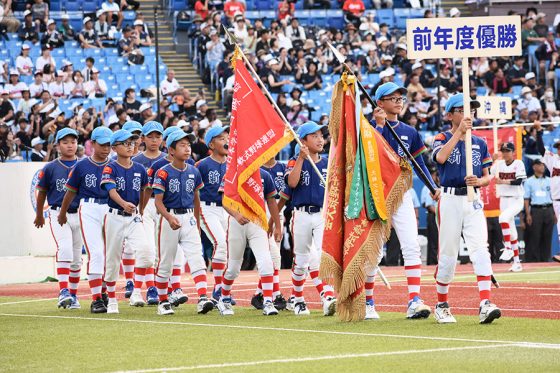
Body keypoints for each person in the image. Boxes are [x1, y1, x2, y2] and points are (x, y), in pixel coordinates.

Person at [370, 82, 438, 320]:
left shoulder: (410, 132)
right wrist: (379, 126)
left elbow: (420, 164)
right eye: (393, 98)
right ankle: (368, 303)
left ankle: (414, 300)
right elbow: (368, 159)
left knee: (411, 246)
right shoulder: (367, 129)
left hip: (402, 194)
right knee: (374, 251)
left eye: (401, 98)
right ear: (379, 103)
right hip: (375, 195)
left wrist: (432, 187)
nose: (399, 101)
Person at [431, 93, 501, 324]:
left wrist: (480, 182)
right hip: (449, 198)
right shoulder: (441, 137)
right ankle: (441, 304)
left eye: (471, 109)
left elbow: (487, 176)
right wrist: (459, 133)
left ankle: (485, 302)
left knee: (481, 248)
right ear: (450, 115)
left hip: (473, 199)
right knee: (449, 254)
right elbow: (440, 158)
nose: (468, 114)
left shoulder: (479, 142)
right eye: (462, 110)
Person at [152, 130, 215, 316]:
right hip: (168, 218)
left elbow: (196, 197)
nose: (187, 149)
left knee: (197, 257)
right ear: (171, 150)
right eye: (182, 145)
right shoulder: (163, 172)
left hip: (187, 218)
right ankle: (163, 301)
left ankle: (203, 297)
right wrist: (169, 217)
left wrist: (196, 220)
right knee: (166, 262)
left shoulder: (194, 171)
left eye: (188, 145)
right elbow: (157, 201)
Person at [59, 127, 112, 313]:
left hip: (110, 208)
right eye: (102, 144)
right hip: (88, 207)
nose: (106, 148)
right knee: (96, 252)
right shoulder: (81, 165)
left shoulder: (114, 164)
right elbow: (70, 191)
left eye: (109, 144)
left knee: (109, 254)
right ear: (93, 144)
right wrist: (62, 212)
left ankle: (104, 292)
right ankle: (96, 298)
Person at [285, 121, 336, 316]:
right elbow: (292, 182)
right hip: (301, 214)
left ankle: (328, 297)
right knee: (301, 260)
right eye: (314, 136)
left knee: (324, 256)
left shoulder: (327, 162)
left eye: (321, 136)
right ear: (303, 141)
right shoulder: (295, 160)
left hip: (322, 213)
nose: (320, 139)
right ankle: (297, 298)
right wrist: (300, 158)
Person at [100, 129, 153, 314]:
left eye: (132, 142)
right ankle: (112, 299)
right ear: (114, 147)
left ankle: (137, 291)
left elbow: (146, 189)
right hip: (114, 216)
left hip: (133, 217)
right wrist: (123, 204)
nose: (130, 146)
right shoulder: (110, 167)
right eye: (125, 143)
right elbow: (110, 190)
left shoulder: (139, 168)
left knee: (146, 252)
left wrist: (142, 208)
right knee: (113, 259)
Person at [218, 168, 282, 317]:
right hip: (236, 223)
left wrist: (277, 225)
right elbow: (225, 200)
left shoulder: (264, 175)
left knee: (266, 261)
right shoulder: (231, 174)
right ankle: (224, 298)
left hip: (257, 222)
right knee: (233, 267)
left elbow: (272, 201)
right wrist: (236, 214)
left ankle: (267, 301)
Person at [34, 128, 82, 309]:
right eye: (65, 142)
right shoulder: (50, 167)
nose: (70, 145)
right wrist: (39, 214)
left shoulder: (83, 164)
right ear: (57, 145)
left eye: (73, 142)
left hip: (80, 213)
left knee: (77, 257)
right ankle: (63, 291)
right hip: (57, 213)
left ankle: (74, 296)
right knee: (65, 248)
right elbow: (42, 193)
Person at [195, 126, 229, 303]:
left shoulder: (233, 163)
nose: (226, 141)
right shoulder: (202, 164)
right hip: (207, 207)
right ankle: (218, 289)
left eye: (227, 137)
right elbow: (193, 190)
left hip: (228, 210)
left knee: (228, 247)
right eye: (221, 138)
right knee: (220, 243)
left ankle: (222, 289)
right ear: (211, 144)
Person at [251, 156, 290, 311]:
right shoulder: (257, 169)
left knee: (275, 257)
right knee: (272, 255)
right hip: (262, 212)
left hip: (277, 211)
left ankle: (260, 293)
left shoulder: (282, 167)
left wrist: (278, 221)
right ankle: (275, 293)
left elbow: (285, 194)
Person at [492, 142, 526, 271]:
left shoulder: (518, 163)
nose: (505, 153)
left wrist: (503, 181)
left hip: (516, 199)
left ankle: (507, 248)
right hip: (504, 199)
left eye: (508, 151)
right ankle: (517, 263)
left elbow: (519, 181)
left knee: (503, 218)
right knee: (512, 233)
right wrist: (493, 160)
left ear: (513, 152)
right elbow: (489, 173)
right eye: (503, 151)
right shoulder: (499, 164)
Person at [535, 121, 560, 260]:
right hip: (556, 200)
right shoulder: (553, 159)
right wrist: (539, 131)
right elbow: (541, 149)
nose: (559, 149)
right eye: (558, 147)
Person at [523, 159, 554, 262]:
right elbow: (526, 199)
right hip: (536, 210)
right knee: (535, 236)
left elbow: (554, 197)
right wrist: (527, 214)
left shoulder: (549, 180)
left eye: (543, 165)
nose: (542, 167)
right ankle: (535, 260)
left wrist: (555, 213)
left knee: (547, 236)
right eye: (540, 165)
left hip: (549, 209)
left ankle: (546, 259)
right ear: (534, 167)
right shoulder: (529, 181)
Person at [421, 168, 439, 265]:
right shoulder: (429, 187)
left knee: (437, 240)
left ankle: (435, 260)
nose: (436, 177)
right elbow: (429, 205)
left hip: (436, 215)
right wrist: (440, 213)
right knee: (434, 240)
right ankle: (433, 262)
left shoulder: (436, 187)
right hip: (433, 216)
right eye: (435, 175)